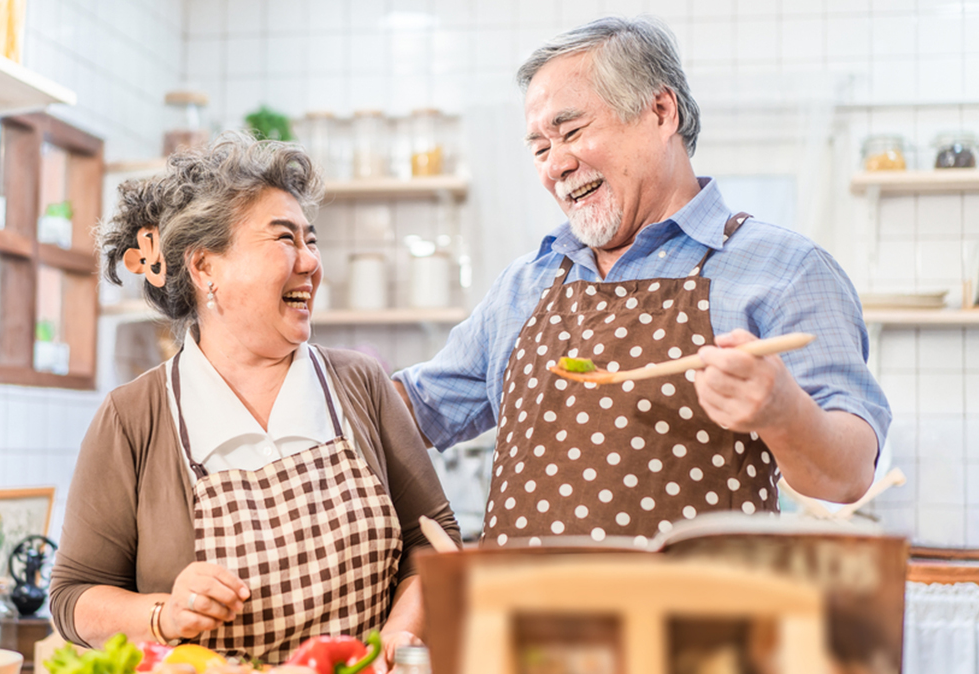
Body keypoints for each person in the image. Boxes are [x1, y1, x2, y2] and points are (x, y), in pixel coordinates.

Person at [393, 16, 890, 547]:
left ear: (660, 112)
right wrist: (305, 367)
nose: (556, 164)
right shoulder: (524, 284)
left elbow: (849, 477)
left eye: (572, 131)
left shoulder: (787, 268)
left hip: (695, 628)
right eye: (540, 148)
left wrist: (784, 412)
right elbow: (412, 413)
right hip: (520, 627)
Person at [49, 131, 460, 667]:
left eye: (311, 241)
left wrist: (399, 641)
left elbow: (431, 540)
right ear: (205, 268)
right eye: (286, 239)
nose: (312, 263)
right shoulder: (134, 417)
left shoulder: (360, 383)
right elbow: (74, 595)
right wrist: (163, 615)